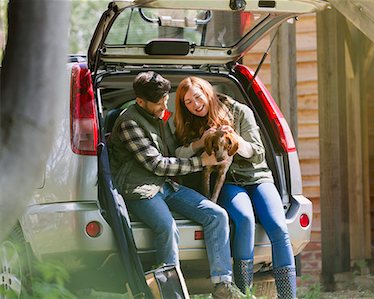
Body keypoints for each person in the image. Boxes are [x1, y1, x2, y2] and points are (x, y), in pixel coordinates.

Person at [108, 71, 244, 299]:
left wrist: (205, 139)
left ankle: (223, 285)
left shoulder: (159, 117)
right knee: (167, 227)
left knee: (217, 215)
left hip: (165, 185)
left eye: (165, 98)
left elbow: (174, 151)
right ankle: (171, 294)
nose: (164, 104)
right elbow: (157, 164)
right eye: (158, 102)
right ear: (140, 102)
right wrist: (201, 162)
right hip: (139, 189)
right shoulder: (128, 123)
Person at [174, 76, 297, 299]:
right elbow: (178, 154)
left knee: (279, 227)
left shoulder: (240, 111)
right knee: (245, 220)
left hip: (257, 177)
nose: (195, 104)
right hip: (229, 182)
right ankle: (244, 292)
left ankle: (289, 296)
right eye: (188, 102)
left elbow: (258, 152)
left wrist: (236, 141)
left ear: (208, 93)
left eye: (198, 97)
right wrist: (201, 141)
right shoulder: (190, 122)